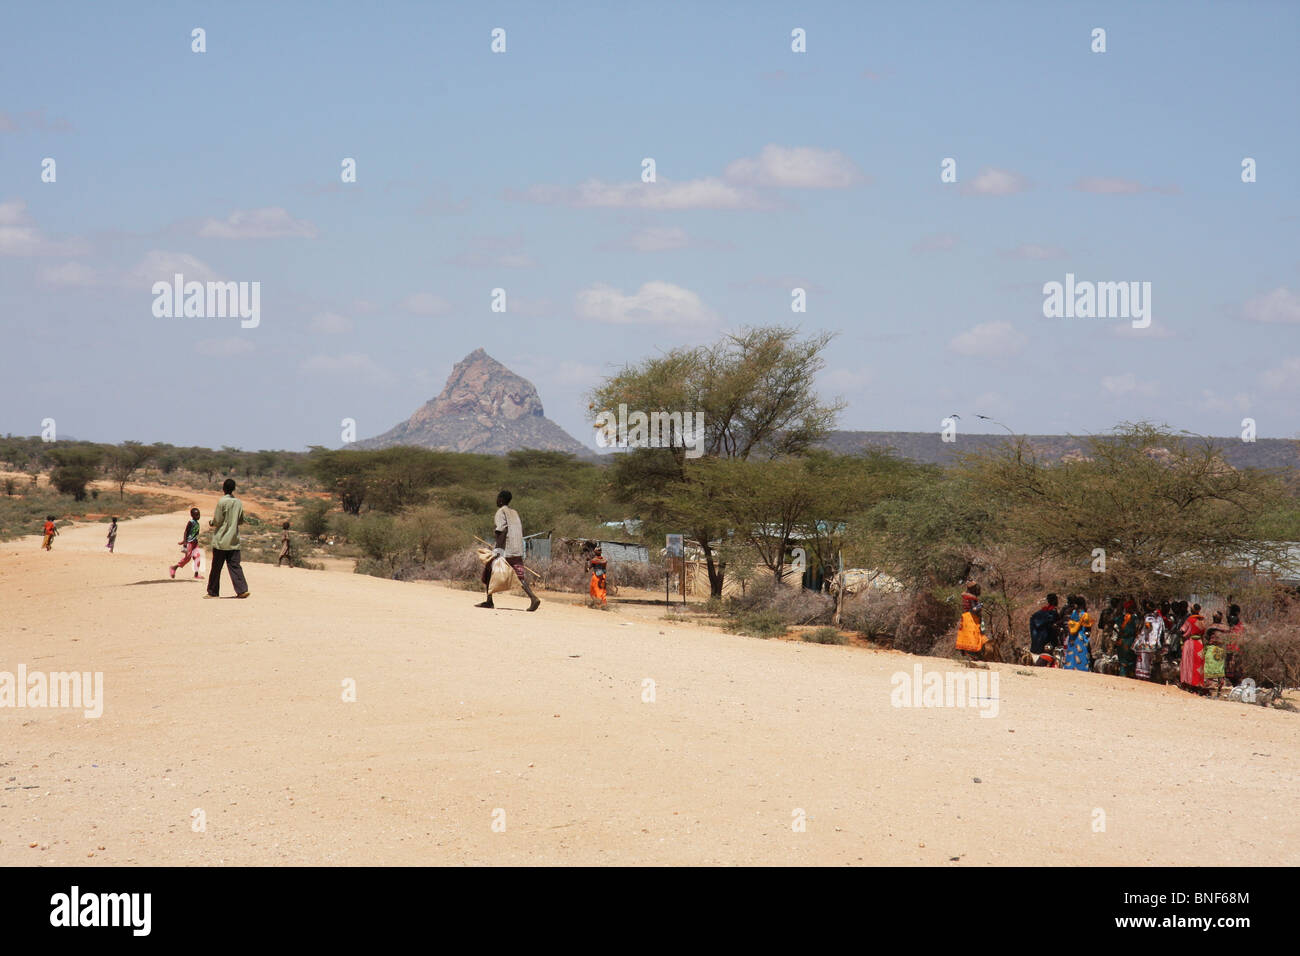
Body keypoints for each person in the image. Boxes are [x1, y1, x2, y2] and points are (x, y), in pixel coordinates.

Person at [476, 490, 540, 612]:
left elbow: (502, 531)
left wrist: (498, 549)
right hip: (517, 548)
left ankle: (489, 601)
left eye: (497, 498)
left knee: (489, 569)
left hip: (506, 548)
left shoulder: (500, 512)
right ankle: (533, 597)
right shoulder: (514, 512)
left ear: (500, 500)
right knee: (518, 575)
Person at [206, 479, 249, 599]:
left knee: (216, 567)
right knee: (235, 566)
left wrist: (211, 522)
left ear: (223, 488)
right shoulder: (238, 503)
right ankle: (242, 590)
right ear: (234, 489)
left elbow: (217, 520)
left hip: (221, 540)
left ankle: (213, 592)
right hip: (233, 540)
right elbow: (240, 520)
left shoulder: (222, 502)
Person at [1179, 603, 1207, 693]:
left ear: (1192, 610)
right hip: (1199, 644)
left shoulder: (1190, 620)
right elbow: (1203, 633)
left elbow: (1182, 630)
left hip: (1190, 643)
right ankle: (1197, 685)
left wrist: (1181, 641)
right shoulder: (1202, 621)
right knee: (1198, 664)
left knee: (1188, 663)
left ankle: (1187, 683)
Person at [1028, 593, 1061, 666]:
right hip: (1047, 640)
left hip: (1037, 641)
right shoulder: (1053, 613)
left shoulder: (1040, 612)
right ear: (1055, 601)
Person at [955, 581, 986, 660]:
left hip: (965, 616)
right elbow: (974, 609)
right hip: (971, 618)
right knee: (974, 635)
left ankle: (965, 651)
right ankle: (973, 654)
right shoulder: (971, 598)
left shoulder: (965, 596)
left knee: (966, 635)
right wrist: (980, 605)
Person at [170, 507, 203, 579]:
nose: (198, 516)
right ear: (192, 515)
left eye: (199, 514)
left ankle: (196, 574)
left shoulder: (197, 524)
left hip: (195, 543)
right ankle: (174, 567)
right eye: (196, 515)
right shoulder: (191, 522)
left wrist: (196, 542)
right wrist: (184, 542)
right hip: (189, 543)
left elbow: (195, 534)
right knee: (187, 558)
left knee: (197, 557)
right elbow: (186, 532)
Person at [1136, 600, 1164, 681]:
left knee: (1144, 659)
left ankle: (1143, 676)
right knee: (1149, 659)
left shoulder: (1147, 617)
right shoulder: (1159, 618)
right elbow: (1161, 631)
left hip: (1146, 641)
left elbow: (1145, 628)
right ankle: (1147, 676)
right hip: (1154, 642)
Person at [1063, 596, 1093, 671]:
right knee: (1081, 652)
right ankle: (1082, 668)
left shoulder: (1073, 613)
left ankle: (1070, 667)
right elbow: (1088, 628)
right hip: (1080, 637)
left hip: (1072, 637)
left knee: (1072, 651)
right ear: (1083, 604)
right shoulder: (1085, 615)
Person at [1115, 598, 1139, 678]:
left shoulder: (1119, 618)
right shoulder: (1135, 619)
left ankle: (1123, 676)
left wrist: (1117, 640)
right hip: (1131, 641)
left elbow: (1116, 629)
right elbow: (1137, 631)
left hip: (1121, 642)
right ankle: (1131, 677)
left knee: (1122, 661)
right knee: (1131, 661)